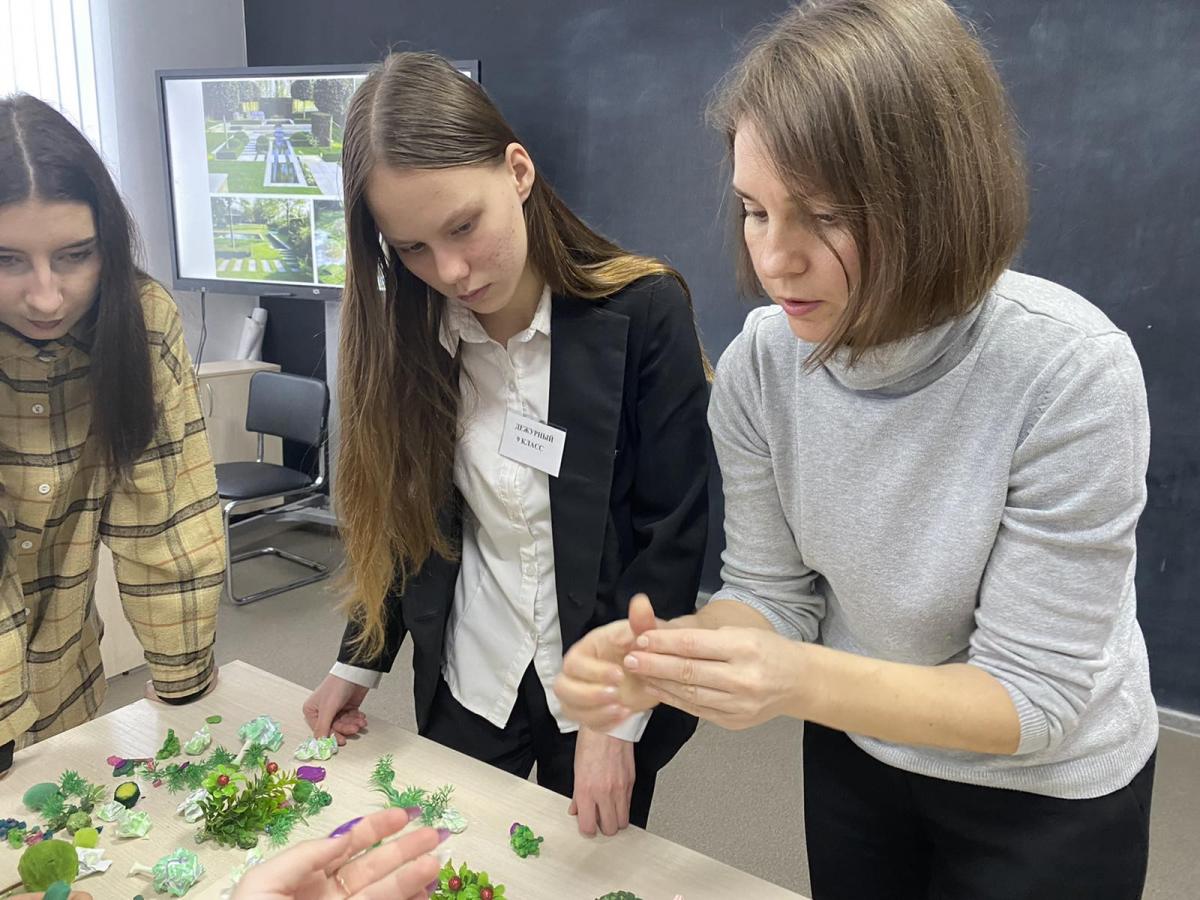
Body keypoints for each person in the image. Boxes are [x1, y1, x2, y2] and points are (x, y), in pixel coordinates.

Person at [555, 1, 1157, 897]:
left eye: (824, 217)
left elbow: (1033, 699)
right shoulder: (766, 359)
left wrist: (792, 678)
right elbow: (772, 593)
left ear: (939, 198)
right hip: (858, 750)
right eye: (754, 210)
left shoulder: (1070, 371)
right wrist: (662, 658)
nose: (775, 259)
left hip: (1044, 791)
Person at [301, 53, 710, 836]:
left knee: (586, 872)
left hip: (597, 676)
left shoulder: (646, 313)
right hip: (471, 670)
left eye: (463, 227)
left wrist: (615, 715)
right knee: (451, 860)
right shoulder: (411, 335)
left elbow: (671, 538)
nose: (450, 271)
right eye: (413, 249)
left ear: (517, 171)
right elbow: (402, 512)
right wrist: (358, 657)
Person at [0, 95, 224, 775]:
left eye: (74, 256)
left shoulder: (141, 319)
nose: (47, 296)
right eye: (8, 261)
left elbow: (167, 517)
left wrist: (182, 680)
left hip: (66, 679)